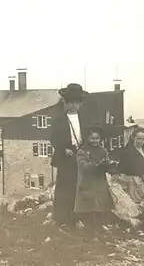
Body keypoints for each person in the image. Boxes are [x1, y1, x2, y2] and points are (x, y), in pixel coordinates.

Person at [50, 83, 89, 230]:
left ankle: (77, 217)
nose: (74, 105)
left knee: (80, 187)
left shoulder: (84, 118)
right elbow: (54, 138)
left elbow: (88, 135)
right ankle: (61, 218)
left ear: (81, 103)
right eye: (71, 102)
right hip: (66, 157)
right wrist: (63, 149)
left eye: (77, 102)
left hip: (81, 156)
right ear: (66, 102)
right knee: (64, 188)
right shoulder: (59, 120)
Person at [74, 126, 117, 231]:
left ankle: (99, 224)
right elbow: (83, 166)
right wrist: (97, 165)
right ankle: (87, 225)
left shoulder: (102, 150)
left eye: (97, 138)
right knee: (88, 203)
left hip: (99, 180)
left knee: (101, 202)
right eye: (92, 138)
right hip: (87, 180)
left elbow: (106, 162)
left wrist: (110, 165)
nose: (95, 141)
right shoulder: (82, 151)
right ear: (87, 138)